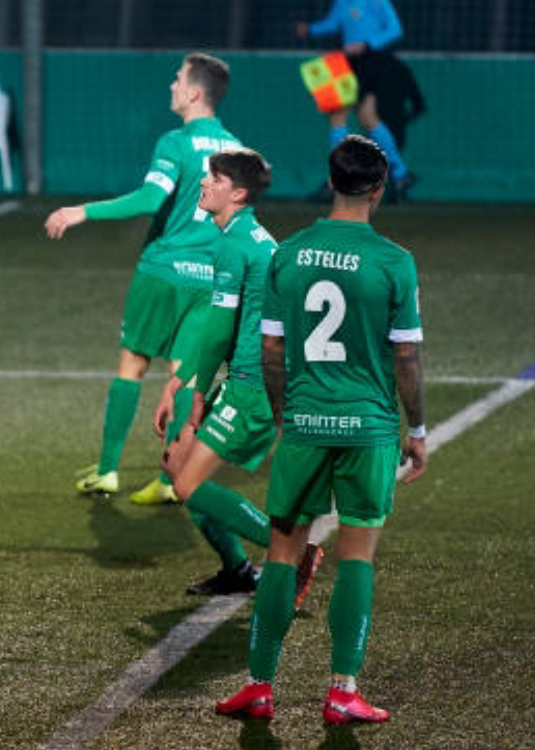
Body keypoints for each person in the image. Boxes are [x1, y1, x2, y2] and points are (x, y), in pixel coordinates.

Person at [215, 136, 426, 724]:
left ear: (330, 181)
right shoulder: (393, 261)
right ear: (378, 190)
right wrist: (420, 429)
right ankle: (342, 692)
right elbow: (406, 361)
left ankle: (259, 686)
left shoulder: (290, 254)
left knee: (283, 553)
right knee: (356, 553)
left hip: (305, 424)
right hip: (369, 429)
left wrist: (288, 417)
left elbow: (272, 348)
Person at [45, 52, 242, 505]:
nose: (171, 86)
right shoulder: (237, 149)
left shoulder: (174, 142)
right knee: (185, 376)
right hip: (208, 278)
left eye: (177, 80)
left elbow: (151, 198)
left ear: (194, 92)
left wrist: (81, 211)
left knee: (133, 364)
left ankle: (109, 471)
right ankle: (171, 480)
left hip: (163, 271)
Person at [153, 150, 323, 602]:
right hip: (253, 379)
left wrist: (193, 395)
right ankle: (237, 569)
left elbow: (220, 329)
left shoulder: (235, 245)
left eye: (215, 178)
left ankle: (292, 549)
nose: (204, 184)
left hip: (251, 387)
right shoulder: (253, 239)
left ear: (239, 193)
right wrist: (183, 377)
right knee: (175, 464)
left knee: (186, 481)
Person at [297, 0, 418, 199]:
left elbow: (395, 29)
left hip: (371, 61)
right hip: (349, 61)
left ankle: (339, 181)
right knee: (368, 118)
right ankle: (401, 174)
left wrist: (368, 44)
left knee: (338, 116)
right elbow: (333, 24)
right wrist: (310, 29)